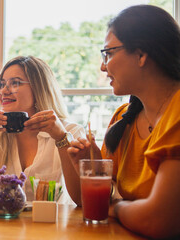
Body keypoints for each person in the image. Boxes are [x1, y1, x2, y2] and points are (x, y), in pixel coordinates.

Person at [66, 5, 180, 239]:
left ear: (141, 54)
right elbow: (97, 204)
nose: (102, 66)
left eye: (108, 53)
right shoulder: (123, 118)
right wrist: (95, 169)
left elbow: (158, 220)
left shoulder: (176, 110)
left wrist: (117, 207)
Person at [0, 56, 85, 201]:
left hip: (54, 224)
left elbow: (82, 200)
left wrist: (61, 138)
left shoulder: (70, 132)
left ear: (39, 88)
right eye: (1, 85)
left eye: (15, 83)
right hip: (0, 223)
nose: (3, 91)